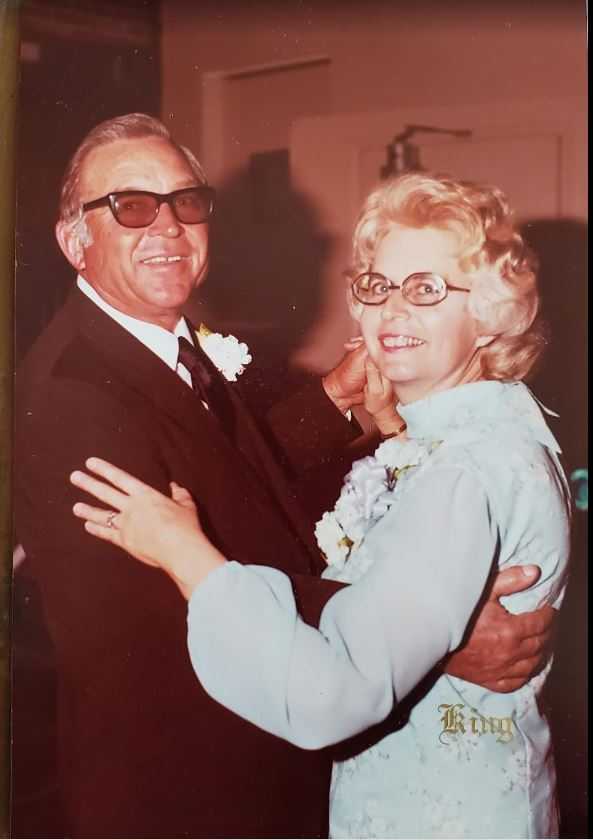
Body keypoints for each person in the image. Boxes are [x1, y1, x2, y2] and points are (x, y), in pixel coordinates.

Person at [14, 110, 550, 838]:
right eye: (132, 206)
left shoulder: (160, 341)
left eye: (185, 202)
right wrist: (428, 642)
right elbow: (153, 612)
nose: (167, 226)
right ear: (74, 239)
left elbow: (219, 480)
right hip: (186, 793)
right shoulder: (73, 391)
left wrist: (330, 402)